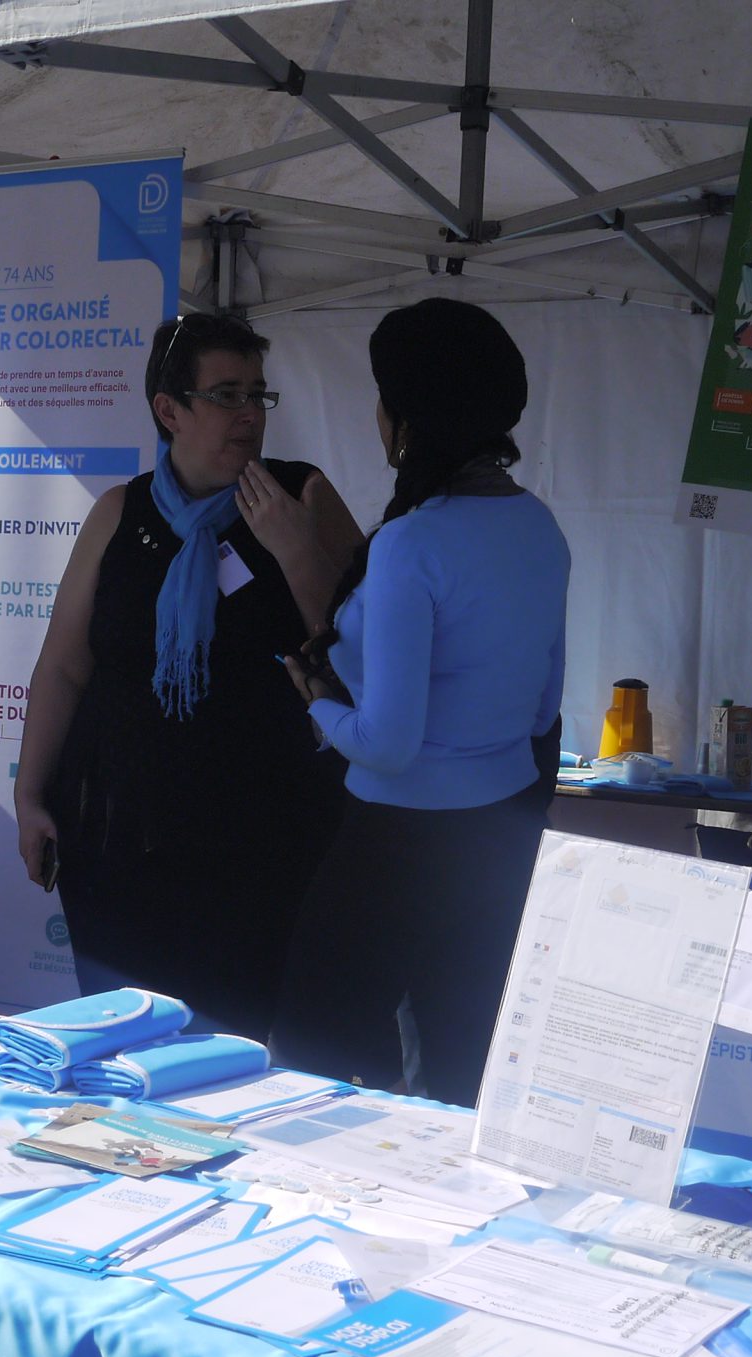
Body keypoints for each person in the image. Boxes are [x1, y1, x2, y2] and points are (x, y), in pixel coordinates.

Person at [14, 313, 363, 1035]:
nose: (247, 415)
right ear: (168, 410)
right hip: (116, 841)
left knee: (238, 1052)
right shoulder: (120, 511)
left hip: (260, 848)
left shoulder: (301, 495)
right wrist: (28, 792)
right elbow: (63, 668)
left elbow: (366, 656)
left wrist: (297, 553)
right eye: (226, 394)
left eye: (258, 396)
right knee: (121, 1046)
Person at [271, 298, 571, 1107]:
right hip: (499, 838)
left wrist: (315, 701)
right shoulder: (540, 526)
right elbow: (544, 712)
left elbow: (389, 744)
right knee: (466, 1073)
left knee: (319, 1066)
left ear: (406, 415)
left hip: (394, 848)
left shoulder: (413, 543)